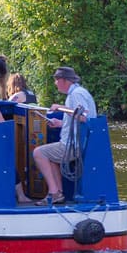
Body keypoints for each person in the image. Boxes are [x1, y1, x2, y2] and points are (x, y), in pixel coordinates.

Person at [32, 66, 97, 205]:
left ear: (64, 80)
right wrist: (60, 123)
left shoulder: (76, 94)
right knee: (51, 158)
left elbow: (84, 117)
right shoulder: (77, 93)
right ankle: (59, 194)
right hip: (75, 142)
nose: (55, 83)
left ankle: (53, 193)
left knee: (38, 153)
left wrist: (60, 108)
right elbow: (76, 119)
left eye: (56, 80)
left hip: (73, 145)